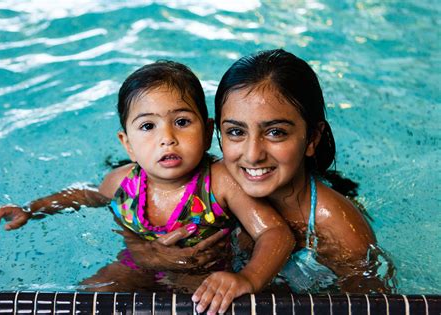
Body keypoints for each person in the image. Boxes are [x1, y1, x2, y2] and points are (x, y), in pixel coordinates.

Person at [0, 60, 295, 314]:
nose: (167, 137)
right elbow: (87, 196)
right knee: (92, 295)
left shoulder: (221, 181)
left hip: (203, 275)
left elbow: (275, 233)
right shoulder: (122, 181)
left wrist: (247, 278)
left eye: (182, 122)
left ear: (209, 129)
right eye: (147, 126)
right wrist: (31, 210)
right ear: (127, 144)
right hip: (137, 265)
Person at [116, 49, 396, 294]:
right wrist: (146, 254)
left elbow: (374, 305)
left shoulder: (340, 230)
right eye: (236, 132)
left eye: (275, 132)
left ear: (312, 138)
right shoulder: (204, 183)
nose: (252, 154)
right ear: (217, 135)